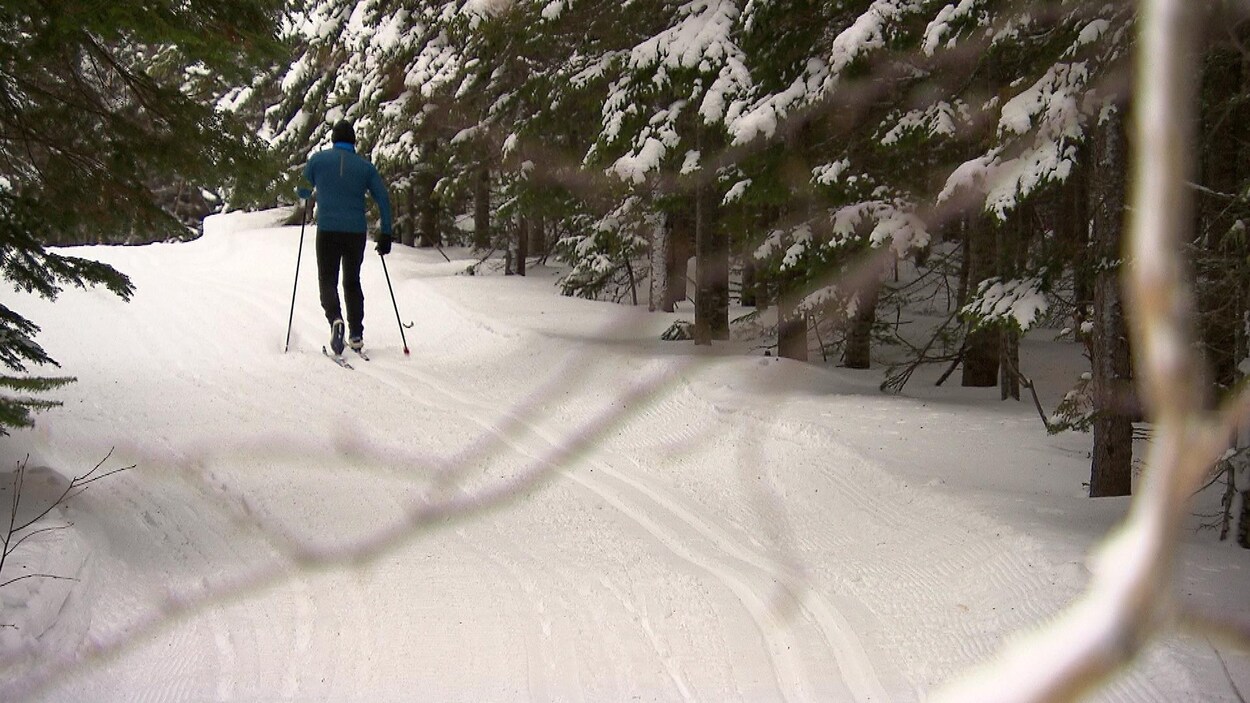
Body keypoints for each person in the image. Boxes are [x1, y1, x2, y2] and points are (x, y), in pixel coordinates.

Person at [301, 120, 393, 355]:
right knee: (352, 281)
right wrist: (386, 233)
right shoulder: (365, 167)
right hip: (355, 231)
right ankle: (356, 334)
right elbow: (383, 198)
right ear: (353, 142)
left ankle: (335, 319)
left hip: (328, 229)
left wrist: (308, 193)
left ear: (333, 139)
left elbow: (301, 188)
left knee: (327, 280)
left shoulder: (318, 161)